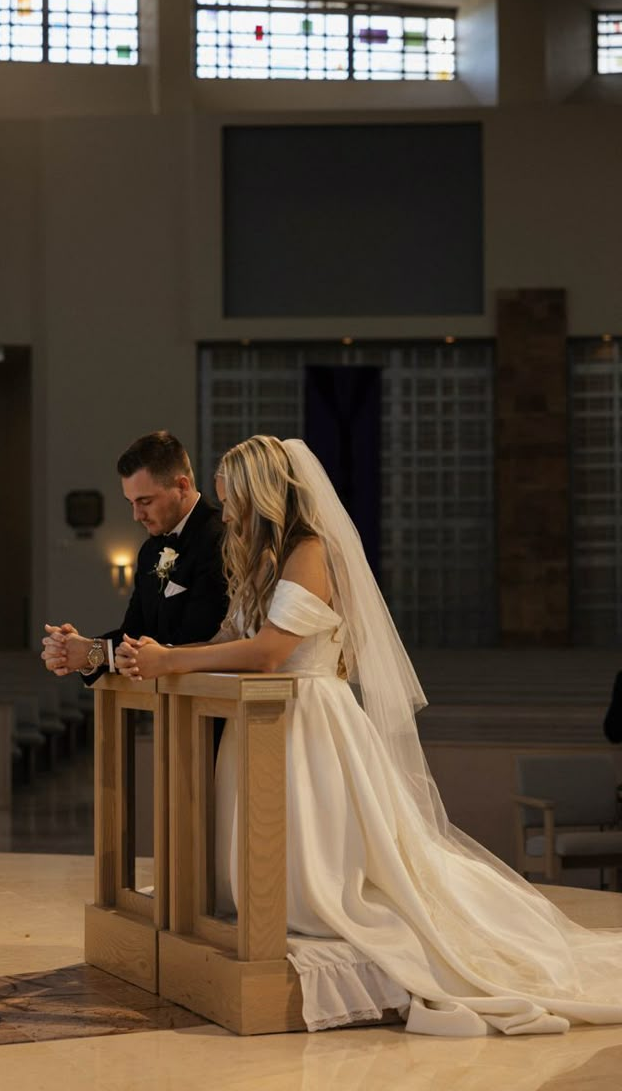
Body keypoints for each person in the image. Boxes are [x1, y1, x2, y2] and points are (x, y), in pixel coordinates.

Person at [115, 435, 622, 1038]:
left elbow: (273, 651)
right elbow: (229, 635)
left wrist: (171, 664)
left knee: (331, 869)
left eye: (233, 502)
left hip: (310, 720)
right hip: (263, 722)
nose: (226, 516)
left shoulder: (310, 551)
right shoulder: (259, 558)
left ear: (263, 496)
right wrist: (160, 653)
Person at [41, 431, 228, 681]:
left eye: (145, 501)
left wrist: (92, 651)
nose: (137, 515)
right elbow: (134, 632)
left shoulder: (219, 538)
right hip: (165, 709)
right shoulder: (150, 550)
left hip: (210, 702)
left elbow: (191, 642)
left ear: (181, 486)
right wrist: (79, 650)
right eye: (131, 503)